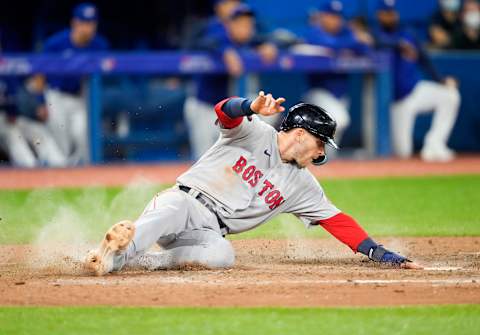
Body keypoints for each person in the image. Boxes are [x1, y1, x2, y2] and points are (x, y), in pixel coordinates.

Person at [85, 91, 422, 276]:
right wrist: (250, 106)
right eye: (321, 143)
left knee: (222, 256)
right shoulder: (254, 130)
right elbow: (224, 111)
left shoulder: (303, 185)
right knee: (168, 210)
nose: (322, 152)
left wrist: (379, 252)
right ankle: (117, 253)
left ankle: (144, 261)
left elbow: (336, 220)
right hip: (185, 201)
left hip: (209, 232)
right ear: (301, 135)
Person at [184, 4, 278, 159]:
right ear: (228, 25)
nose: (245, 28)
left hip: (232, 111)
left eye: (248, 24)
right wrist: (224, 51)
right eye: (240, 23)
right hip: (206, 108)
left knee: (266, 113)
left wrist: (268, 45)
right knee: (204, 160)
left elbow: (273, 41)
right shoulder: (216, 37)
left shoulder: (251, 41)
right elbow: (201, 43)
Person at [374, 0, 461, 162]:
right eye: (386, 13)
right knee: (403, 152)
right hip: (397, 102)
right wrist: (399, 45)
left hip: (415, 90)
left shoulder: (407, 33)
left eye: (392, 13)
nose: (390, 16)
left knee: (450, 95)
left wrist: (440, 79)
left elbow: (424, 59)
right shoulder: (376, 34)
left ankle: (435, 144)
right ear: (379, 15)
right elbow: (377, 41)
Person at [42, 3, 109, 165]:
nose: (88, 27)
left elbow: (106, 76)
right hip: (55, 96)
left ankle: (84, 176)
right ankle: (59, 178)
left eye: (91, 23)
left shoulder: (99, 45)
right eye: (84, 22)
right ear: (74, 23)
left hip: (80, 97)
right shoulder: (55, 44)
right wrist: (40, 102)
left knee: (82, 133)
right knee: (61, 141)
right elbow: (39, 73)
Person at [303, 0, 372, 148]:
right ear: (322, 16)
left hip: (341, 96)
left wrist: (354, 40)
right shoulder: (313, 33)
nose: (335, 20)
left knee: (331, 146)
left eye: (338, 16)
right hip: (319, 93)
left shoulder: (345, 33)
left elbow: (365, 48)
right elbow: (331, 45)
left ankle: (324, 166)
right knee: (340, 120)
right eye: (331, 16)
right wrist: (353, 40)